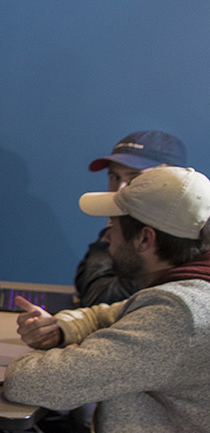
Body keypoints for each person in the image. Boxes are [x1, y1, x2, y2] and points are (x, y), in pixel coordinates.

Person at [5, 166, 210, 433]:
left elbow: (29, 382)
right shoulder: (190, 288)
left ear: (146, 239)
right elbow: (110, 312)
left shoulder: (176, 315)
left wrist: (70, 352)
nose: (107, 236)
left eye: (113, 227)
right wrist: (65, 328)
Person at [74, 130, 188, 307]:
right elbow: (85, 288)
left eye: (135, 178)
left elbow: (100, 298)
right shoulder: (123, 224)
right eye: (114, 177)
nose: (120, 189)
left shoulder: (179, 238)